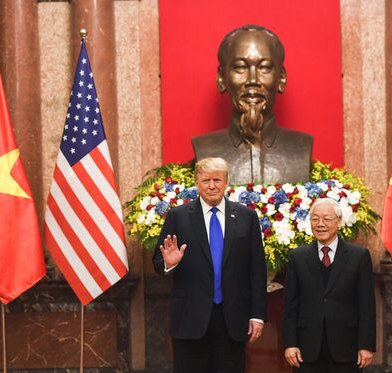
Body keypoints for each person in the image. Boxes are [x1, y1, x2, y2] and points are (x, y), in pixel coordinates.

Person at [153, 157, 267, 373]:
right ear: (196, 182)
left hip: (232, 319)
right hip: (190, 319)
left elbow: (257, 270)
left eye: (217, 179)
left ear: (226, 182)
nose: (212, 185)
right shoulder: (179, 217)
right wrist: (169, 264)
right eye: (206, 180)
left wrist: (257, 315)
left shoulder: (246, 217)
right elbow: (158, 262)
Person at [192, 24, 313, 185]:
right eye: (240, 67)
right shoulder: (204, 148)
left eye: (264, 67)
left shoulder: (301, 146)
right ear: (222, 78)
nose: (253, 80)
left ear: (281, 78)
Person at [283, 198, 376, 372]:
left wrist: (366, 345)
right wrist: (290, 344)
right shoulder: (298, 257)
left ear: (339, 221)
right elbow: (290, 306)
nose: (320, 224)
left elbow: (367, 306)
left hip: (347, 347)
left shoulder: (358, 257)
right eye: (315, 219)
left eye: (326, 219)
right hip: (307, 349)